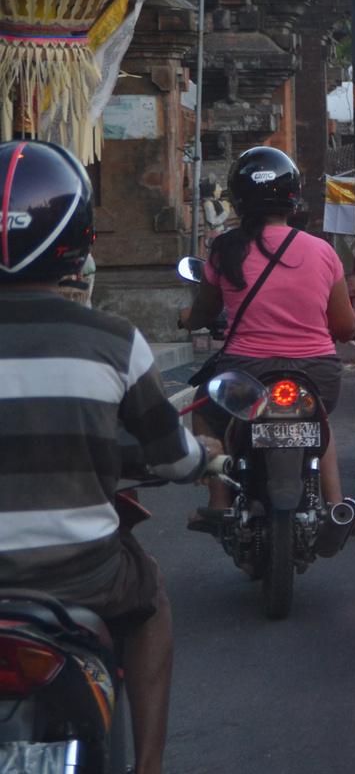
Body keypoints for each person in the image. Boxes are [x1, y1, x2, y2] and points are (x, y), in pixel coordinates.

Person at [0, 139, 214, 774]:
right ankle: (148, 765)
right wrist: (203, 454)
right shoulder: (115, 343)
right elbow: (173, 461)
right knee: (151, 600)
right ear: (77, 237)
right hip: (83, 576)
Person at [178, 146, 354, 513]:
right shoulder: (323, 251)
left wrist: (185, 318)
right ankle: (337, 506)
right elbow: (345, 325)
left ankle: (220, 500)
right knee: (318, 416)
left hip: (246, 373)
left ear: (239, 197)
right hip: (318, 371)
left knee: (205, 411)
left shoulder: (224, 249)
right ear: (293, 195)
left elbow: (204, 311)